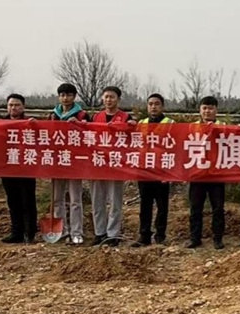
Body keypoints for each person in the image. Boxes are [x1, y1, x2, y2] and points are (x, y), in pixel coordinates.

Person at [90, 86, 135, 246]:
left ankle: (113, 234)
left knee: (115, 201)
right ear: (102, 98)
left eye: (112, 97)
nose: (109, 100)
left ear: (118, 99)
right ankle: (99, 232)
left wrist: (132, 126)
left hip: (116, 165)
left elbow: (132, 139)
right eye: (106, 97)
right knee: (97, 201)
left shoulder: (125, 117)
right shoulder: (96, 117)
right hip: (98, 164)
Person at [49, 83, 89, 245]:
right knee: (57, 199)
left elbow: (90, 135)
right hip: (57, 160)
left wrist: (80, 125)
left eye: (69, 95)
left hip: (75, 161)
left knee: (75, 199)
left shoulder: (82, 114)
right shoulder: (53, 115)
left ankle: (76, 232)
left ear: (74, 96)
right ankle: (61, 230)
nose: (65, 98)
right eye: (62, 95)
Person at [187, 96, 226, 249]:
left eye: (210, 108)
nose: (207, 111)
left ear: (216, 110)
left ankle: (218, 238)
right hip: (197, 173)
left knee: (218, 208)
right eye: (204, 108)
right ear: (200, 110)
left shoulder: (223, 127)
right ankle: (195, 238)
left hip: (216, 174)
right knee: (195, 208)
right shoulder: (192, 127)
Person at [135, 93, 174, 246]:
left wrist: (170, 172)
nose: (153, 107)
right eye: (150, 104)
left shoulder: (170, 124)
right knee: (145, 205)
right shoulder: (141, 123)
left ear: (162, 106)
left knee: (162, 206)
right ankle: (144, 235)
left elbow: (175, 148)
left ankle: (160, 235)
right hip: (144, 171)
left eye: (157, 104)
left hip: (162, 171)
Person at [1, 94, 38, 244]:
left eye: (17, 105)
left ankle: (30, 232)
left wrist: (36, 126)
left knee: (28, 201)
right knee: (13, 201)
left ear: (23, 107)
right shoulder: (0, 124)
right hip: (7, 167)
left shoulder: (30, 123)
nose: (13, 108)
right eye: (10, 105)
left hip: (26, 168)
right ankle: (16, 233)